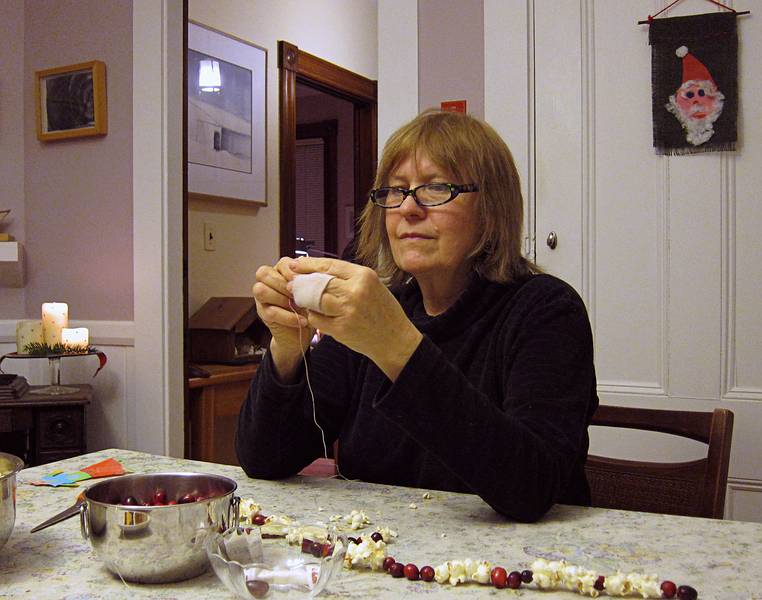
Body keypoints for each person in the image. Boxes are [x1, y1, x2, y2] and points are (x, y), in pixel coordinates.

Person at [237, 110, 598, 523]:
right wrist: (286, 348)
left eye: (435, 188)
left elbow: (531, 488)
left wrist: (394, 345)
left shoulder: (545, 310)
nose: (407, 208)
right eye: (394, 190)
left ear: (491, 208)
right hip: (383, 555)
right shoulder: (377, 311)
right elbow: (264, 457)